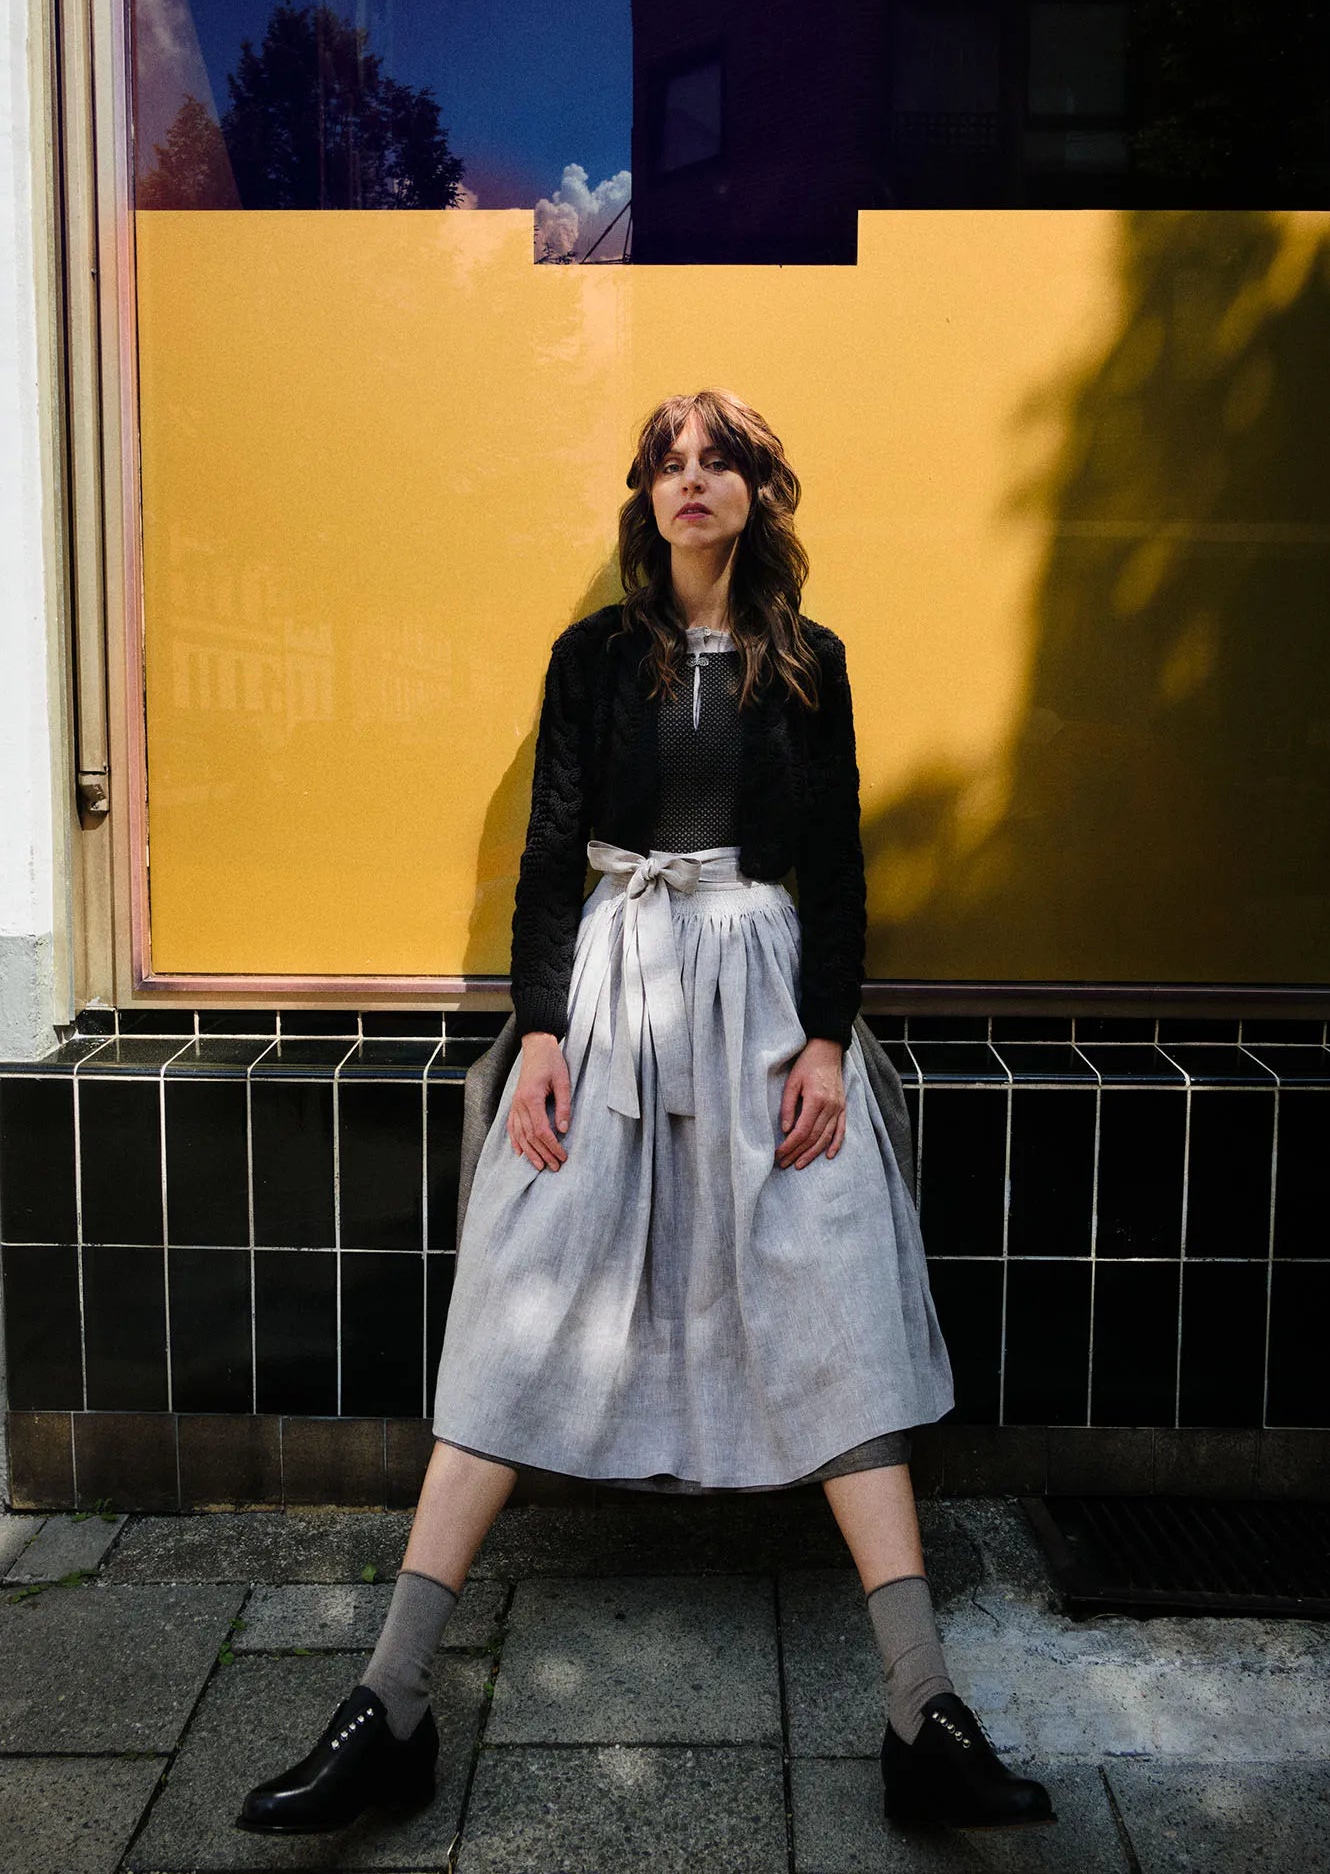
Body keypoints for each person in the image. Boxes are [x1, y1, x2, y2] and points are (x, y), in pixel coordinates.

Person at [237, 390, 1054, 1837]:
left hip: (757, 999)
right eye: (671, 464)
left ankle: (918, 1706)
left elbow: (840, 873)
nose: (694, 483)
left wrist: (821, 1042)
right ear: (644, 500)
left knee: (830, 1290)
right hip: (613, 997)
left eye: (718, 461)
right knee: (523, 1288)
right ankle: (393, 1699)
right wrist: (539, 1030)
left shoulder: (811, 664)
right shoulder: (594, 661)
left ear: (756, 495)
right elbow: (553, 853)